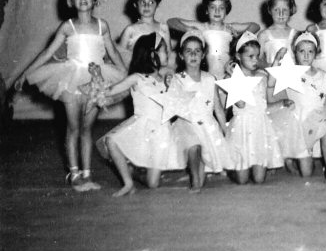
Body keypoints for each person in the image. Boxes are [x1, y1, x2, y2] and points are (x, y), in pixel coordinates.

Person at [15, 0, 127, 192]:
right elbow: (47, 52)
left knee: (87, 128)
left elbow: (112, 52)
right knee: (73, 127)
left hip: (97, 79)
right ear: (71, 1)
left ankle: (87, 173)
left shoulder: (102, 25)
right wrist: (25, 73)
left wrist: (125, 74)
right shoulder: (68, 26)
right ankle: (74, 173)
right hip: (72, 78)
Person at [94, 33, 182, 196]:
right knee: (112, 141)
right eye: (163, 50)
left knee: (153, 184)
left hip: (161, 132)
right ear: (151, 54)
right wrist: (97, 83)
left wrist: (172, 83)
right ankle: (128, 183)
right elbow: (110, 91)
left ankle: (134, 170)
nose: (167, 53)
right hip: (141, 127)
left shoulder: (167, 77)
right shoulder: (137, 78)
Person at [170, 30, 233, 191]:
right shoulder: (178, 79)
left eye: (197, 51)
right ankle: (195, 181)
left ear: (203, 54)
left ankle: (199, 173)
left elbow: (217, 108)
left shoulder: (209, 78)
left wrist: (225, 129)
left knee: (205, 148)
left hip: (207, 124)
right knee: (194, 145)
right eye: (188, 51)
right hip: (187, 124)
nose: (193, 55)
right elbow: (174, 105)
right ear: (181, 55)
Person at [224, 32, 282, 185]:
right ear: (238, 56)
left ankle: (254, 168)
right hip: (242, 128)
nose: (255, 60)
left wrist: (276, 60)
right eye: (250, 56)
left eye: (257, 56)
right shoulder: (231, 79)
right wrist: (233, 77)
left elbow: (272, 82)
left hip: (259, 128)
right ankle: (232, 169)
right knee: (242, 180)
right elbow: (241, 104)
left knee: (259, 179)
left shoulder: (261, 76)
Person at [280, 32, 326, 182]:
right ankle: (290, 159)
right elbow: (276, 91)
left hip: (318, 115)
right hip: (299, 119)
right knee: (306, 173)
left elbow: (324, 99)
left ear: (316, 53)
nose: (306, 56)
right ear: (295, 52)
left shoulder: (323, 75)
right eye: (302, 51)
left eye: (310, 51)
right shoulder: (290, 74)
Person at [168, 0, 258, 80]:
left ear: (226, 11)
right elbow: (171, 21)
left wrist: (239, 38)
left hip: (227, 74)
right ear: (206, 10)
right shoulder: (202, 27)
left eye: (221, 8)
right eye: (212, 7)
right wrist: (189, 29)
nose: (217, 11)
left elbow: (255, 26)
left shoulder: (230, 27)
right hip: (206, 74)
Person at [117, 0, 175, 68]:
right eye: (142, 2)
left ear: (157, 5)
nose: (147, 6)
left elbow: (168, 53)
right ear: (135, 5)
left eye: (151, 2)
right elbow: (120, 54)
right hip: (137, 70)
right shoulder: (130, 30)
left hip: (158, 70)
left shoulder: (163, 28)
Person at [256, 0, 300, 67]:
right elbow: (257, 59)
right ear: (270, 10)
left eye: (285, 10)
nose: (281, 14)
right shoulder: (263, 35)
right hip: (272, 75)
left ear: (291, 10)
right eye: (276, 10)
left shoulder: (296, 34)